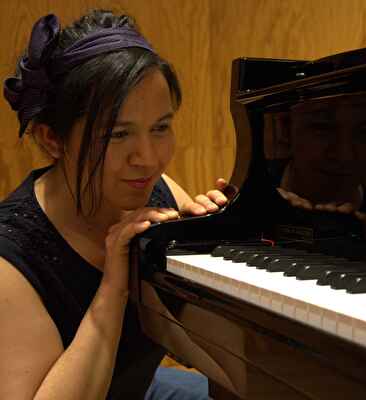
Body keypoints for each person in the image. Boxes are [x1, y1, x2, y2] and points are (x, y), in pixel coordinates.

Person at [0, 10, 232, 400]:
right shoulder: (10, 260)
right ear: (52, 139)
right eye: (118, 135)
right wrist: (113, 288)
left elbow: (196, 342)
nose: (149, 159)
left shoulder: (159, 191)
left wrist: (217, 251)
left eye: (160, 127)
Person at [267, 94, 366, 249]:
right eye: (323, 128)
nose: (345, 155)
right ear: (285, 129)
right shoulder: (253, 190)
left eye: (364, 133)